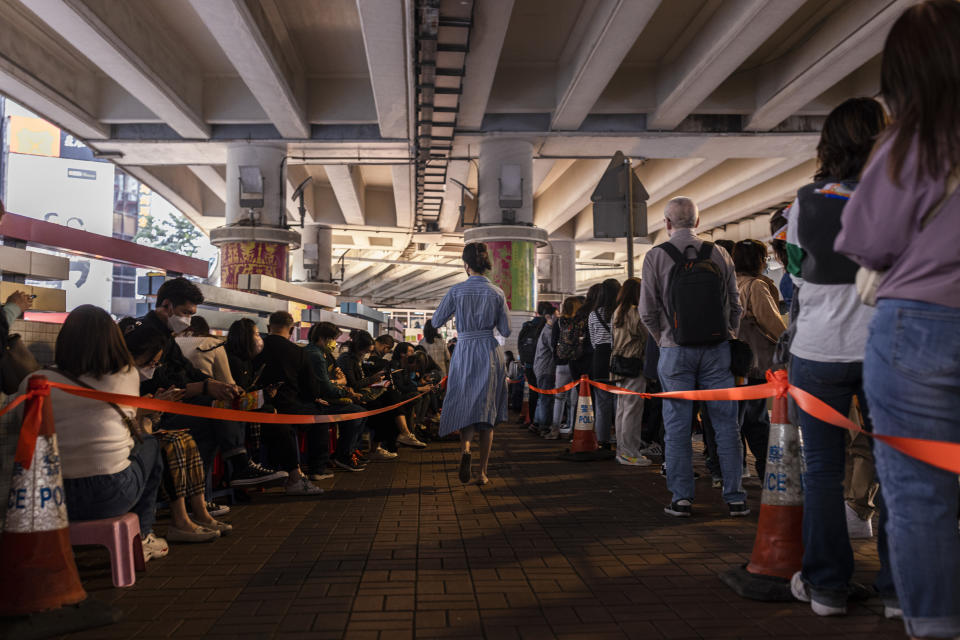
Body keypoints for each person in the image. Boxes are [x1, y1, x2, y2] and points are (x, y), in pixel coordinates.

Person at [836, 2, 960, 634]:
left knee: (920, 498)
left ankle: (936, 624)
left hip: (920, 326)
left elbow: (868, 241)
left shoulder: (914, 143)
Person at [783, 96, 894, 617]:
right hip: (886, 350)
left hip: (819, 350)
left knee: (822, 471)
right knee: (899, 469)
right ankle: (901, 590)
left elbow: (799, 273)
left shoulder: (805, 200)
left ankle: (827, 587)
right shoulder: (902, 195)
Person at [16, 306, 169, 561]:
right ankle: (143, 535)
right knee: (151, 445)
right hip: (111, 494)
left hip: (51, 496)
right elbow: (130, 426)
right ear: (114, 340)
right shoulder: (127, 375)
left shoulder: (34, 381)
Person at [639, 196, 747, 518]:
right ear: (698, 222)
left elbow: (647, 311)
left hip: (675, 351)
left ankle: (682, 498)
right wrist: (727, 335)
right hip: (717, 351)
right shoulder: (720, 253)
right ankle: (735, 497)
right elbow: (735, 303)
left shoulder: (655, 256)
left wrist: (666, 340)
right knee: (726, 425)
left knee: (677, 427)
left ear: (667, 223)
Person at [138, 277, 285, 488]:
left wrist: (214, 384)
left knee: (215, 412)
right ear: (167, 305)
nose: (188, 319)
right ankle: (230, 472)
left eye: (192, 315)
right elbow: (158, 382)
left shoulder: (167, 338)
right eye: (186, 312)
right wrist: (206, 387)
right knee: (215, 412)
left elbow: (188, 371)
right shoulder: (147, 336)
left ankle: (201, 493)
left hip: (169, 408)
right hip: (152, 413)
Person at [123, 325, 231, 541]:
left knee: (185, 438)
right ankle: (179, 520)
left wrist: (157, 405)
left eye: (156, 364)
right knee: (171, 443)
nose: (153, 368)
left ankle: (199, 512)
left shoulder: (129, 375)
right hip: (131, 439)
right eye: (151, 363)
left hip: (141, 430)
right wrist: (155, 406)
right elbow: (126, 414)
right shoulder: (122, 377)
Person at [433, 242, 510, 485]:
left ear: (466, 265)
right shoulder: (497, 292)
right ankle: (482, 472)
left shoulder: (456, 291)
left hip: (464, 350)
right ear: (486, 264)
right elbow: (506, 329)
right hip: (488, 350)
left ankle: (465, 449)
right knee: (486, 412)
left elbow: (436, 320)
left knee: (465, 404)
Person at [253, 311, 327, 493]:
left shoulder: (256, 348)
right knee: (321, 418)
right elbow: (311, 388)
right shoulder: (298, 352)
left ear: (268, 328)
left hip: (255, 405)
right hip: (289, 406)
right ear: (292, 330)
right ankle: (317, 469)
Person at [733, 239, 786, 479]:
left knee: (740, 419)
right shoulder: (756, 286)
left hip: (733, 361)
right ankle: (770, 474)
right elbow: (772, 324)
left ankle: (735, 469)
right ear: (759, 261)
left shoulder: (731, 284)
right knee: (758, 420)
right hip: (755, 363)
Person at [304, 321, 369, 471]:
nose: (334, 343)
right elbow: (326, 386)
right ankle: (344, 455)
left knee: (360, 411)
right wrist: (346, 391)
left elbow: (332, 380)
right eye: (333, 338)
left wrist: (341, 384)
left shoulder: (322, 354)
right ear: (323, 338)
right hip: (320, 402)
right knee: (357, 413)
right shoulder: (316, 356)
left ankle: (346, 452)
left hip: (325, 397)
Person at [337, 329, 399, 460]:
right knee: (383, 410)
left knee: (390, 402)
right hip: (351, 396)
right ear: (359, 348)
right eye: (366, 351)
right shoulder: (347, 359)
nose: (367, 355)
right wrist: (372, 379)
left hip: (360, 394)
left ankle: (372, 447)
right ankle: (352, 451)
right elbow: (353, 384)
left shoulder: (357, 359)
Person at [610, 278, 650, 466]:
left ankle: (622, 449)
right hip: (633, 364)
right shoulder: (636, 312)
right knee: (633, 410)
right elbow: (647, 336)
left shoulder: (618, 312)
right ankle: (629, 452)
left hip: (618, 365)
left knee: (622, 409)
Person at [589, 279, 621, 448]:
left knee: (602, 403)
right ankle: (620, 436)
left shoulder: (593, 314)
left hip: (599, 358)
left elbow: (593, 341)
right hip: (617, 357)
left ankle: (603, 440)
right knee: (619, 401)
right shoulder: (620, 312)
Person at [551, 296, 583, 438]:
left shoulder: (558, 322)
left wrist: (557, 358)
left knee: (559, 398)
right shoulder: (580, 322)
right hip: (576, 363)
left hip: (561, 364)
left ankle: (555, 429)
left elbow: (553, 343)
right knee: (574, 400)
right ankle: (572, 429)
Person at [518, 302, 553, 429]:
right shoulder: (548, 325)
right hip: (543, 363)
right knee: (544, 395)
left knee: (533, 393)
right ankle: (542, 423)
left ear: (537, 311)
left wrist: (523, 360)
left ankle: (532, 420)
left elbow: (520, 343)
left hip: (528, 364)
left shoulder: (527, 325)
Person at [174, 315, 235, 384]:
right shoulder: (212, 344)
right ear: (205, 329)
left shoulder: (173, 341)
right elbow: (226, 380)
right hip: (203, 391)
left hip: (172, 391)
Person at [532, 303, 558, 438]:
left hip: (540, 367)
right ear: (549, 316)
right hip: (546, 368)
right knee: (546, 398)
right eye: (557, 315)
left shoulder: (544, 328)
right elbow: (555, 350)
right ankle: (544, 426)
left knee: (542, 397)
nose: (558, 318)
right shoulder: (549, 331)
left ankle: (536, 423)